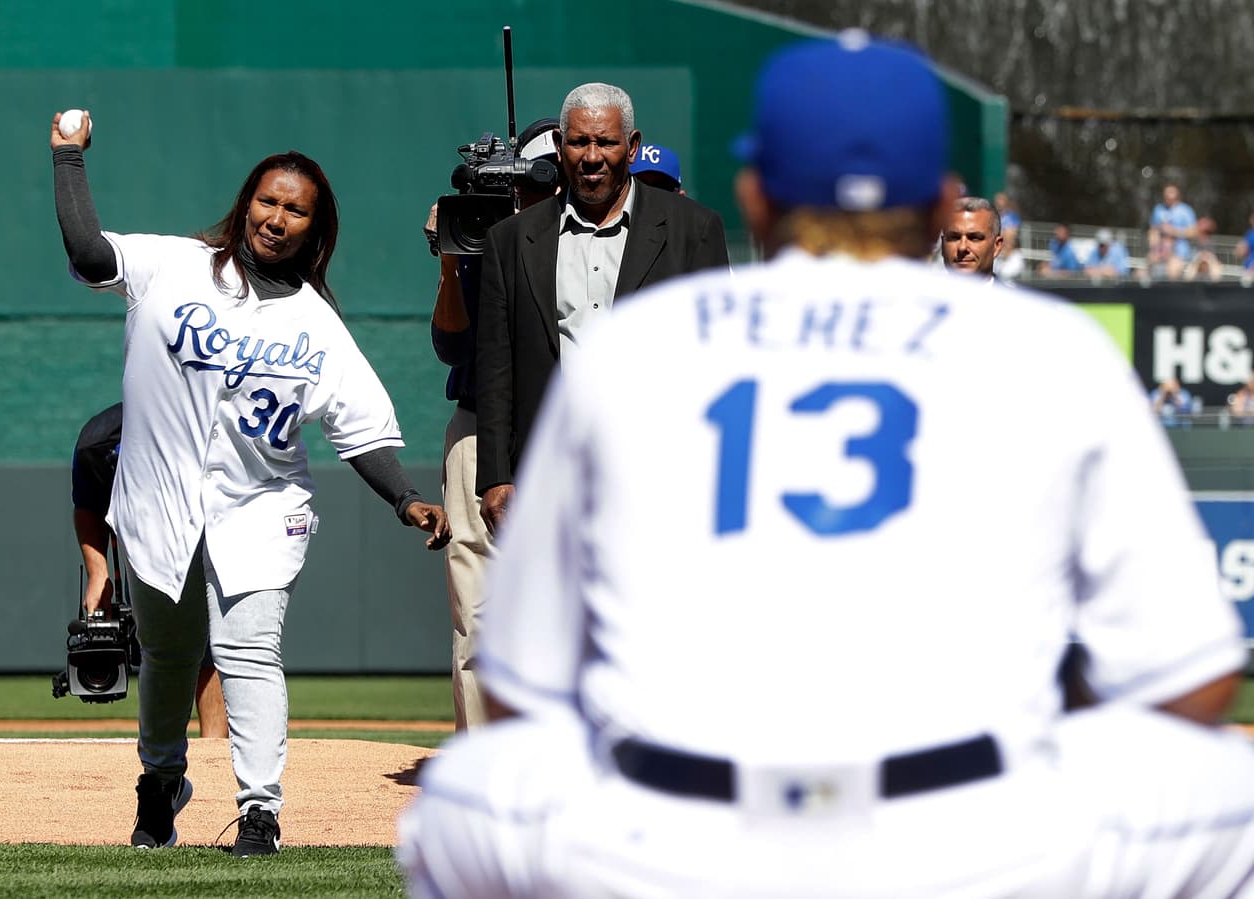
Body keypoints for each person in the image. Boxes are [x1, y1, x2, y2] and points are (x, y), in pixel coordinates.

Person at [398, 33, 1254, 899]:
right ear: (944, 203)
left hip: (682, 837)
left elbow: (519, 687)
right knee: (1225, 795)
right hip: (967, 835)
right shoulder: (1047, 348)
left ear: (756, 197)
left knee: (469, 805)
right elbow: (1195, 677)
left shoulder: (636, 350)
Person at [51, 111, 450, 856]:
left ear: (315, 228)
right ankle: (160, 779)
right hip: (159, 501)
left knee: (248, 652)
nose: (277, 216)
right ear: (246, 203)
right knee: (169, 658)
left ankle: (260, 810)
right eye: (269, 200)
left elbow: (359, 429)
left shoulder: (316, 323)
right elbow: (86, 249)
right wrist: (67, 157)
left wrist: (406, 496)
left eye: (296, 208)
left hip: (262, 507)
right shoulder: (173, 266)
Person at [475, 82, 730, 536]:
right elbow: (497, 366)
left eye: (606, 142)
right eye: (578, 142)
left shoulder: (695, 230)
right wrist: (495, 475)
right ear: (559, 147)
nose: (592, 156)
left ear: (631, 147)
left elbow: (717, 360)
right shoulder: (511, 240)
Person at [425, 117, 561, 731]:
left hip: (571, 434)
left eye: (545, 181)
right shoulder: (490, 242)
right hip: (484, 427)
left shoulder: (605, 246)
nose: (537, 195)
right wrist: (452, 261)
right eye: (527, 184)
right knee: (479, 609)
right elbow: (452, 347)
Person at [72, 402, 227, 738]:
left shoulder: (212, 422)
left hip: (212, 523)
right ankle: (160, 759)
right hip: (144, 536)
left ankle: (213, 757)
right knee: (155, 642)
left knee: (214, 640)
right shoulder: (98, 443)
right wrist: (99, 572)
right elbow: (88, 506)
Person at [940, 196, 1003, 278]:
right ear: (942, 245)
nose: (962, 247)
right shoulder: (922, 290)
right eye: (954, 238)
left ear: (997, 246)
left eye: (974, 238)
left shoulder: (1013, 291)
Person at [1148, 183, 1198, 280]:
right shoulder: (1158, 209)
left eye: (1172, 193)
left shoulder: (1185, 210)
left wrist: (1173, 231)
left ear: (1177, 195)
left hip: (1179, 252)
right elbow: (1153, 231)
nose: (1169, 196)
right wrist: (1154, 246)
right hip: (1160, 250)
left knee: (1172, 269)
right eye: (1167, 193)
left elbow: (1194, 232)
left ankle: (1170, 294)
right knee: (1147, 266)